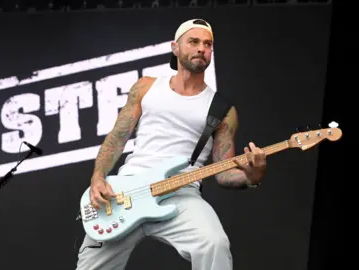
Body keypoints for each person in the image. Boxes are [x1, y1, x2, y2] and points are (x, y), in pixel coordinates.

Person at [76, 19, 267, 270]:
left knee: (214, 244)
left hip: (181, 193)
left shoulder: (222, 110)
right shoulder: (146, 87)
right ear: (175, 47)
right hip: (125, 192)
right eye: (194, 41)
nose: (202, 48)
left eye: (208, 44)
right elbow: (117, 138)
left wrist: (253, 176)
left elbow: (224, 173)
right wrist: (98, 177)